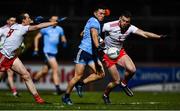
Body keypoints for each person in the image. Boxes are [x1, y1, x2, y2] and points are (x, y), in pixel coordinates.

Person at [101, 11, 167, 104]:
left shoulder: (130, 28)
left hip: (119, 52)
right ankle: (105, 95)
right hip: (108, 54)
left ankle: (124, 84)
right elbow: (95, 30)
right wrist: (98, 40)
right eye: (123, 20)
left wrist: (159, 36)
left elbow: (144, 34)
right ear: (120, 18)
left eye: (127, 22)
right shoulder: (109, 25)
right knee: (116, 81)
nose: (125, 23)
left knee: (132, 70)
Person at [0, 12, 58, 104]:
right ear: (23, 20)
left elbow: (29, 24)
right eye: (28, 18)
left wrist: (34, 20)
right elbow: (37, 27)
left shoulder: (16, 25)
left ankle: (38, 99)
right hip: (3, 56)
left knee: (26, 75)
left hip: (12, 57)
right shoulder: (22, 29)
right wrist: (52, 23)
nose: (30, 19)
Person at [61, 5, 107, 105]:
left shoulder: (94, 22)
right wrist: (97, 45)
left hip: (92, 54)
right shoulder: (94, 21)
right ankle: (66, 96)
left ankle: (80, 84)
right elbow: (94, 34)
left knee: (101, 74)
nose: (102, 15)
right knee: (77, 76)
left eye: (103, 14)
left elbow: (83, 33)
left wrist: (96, 39)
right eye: (100, 13)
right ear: (95, 13)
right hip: (84, 52)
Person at [33, 15, 67, 95]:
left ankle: (32, 82)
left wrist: (64, 42)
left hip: (54, 53)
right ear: (50, 20)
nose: (56, 21)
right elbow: (36, 38)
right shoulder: (45, 28)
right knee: (56, 69)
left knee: (44, 71)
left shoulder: (60, 29)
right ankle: (58, 89)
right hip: (47, 52)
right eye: (54, 20)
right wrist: (36, 49)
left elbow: (63, 38)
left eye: (57, 20)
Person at [0, 17, 19, 97]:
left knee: (10, 73)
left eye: (14, 21)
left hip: (10, 54)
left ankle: (14, 92)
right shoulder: (2, 29)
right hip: (2, 53)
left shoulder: (16, 29)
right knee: (1, 74)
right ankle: (14, 91)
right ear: (7, 21)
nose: (13, 22)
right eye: (11, 20)